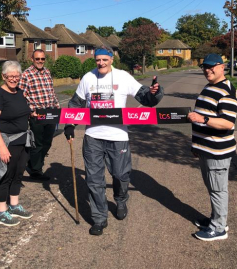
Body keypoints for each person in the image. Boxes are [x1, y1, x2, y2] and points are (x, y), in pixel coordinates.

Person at [64, 47, 164, 236]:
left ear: (111, 60)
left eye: (104, 60)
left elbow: (145, 97)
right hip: (93, 136)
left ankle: (120, 199)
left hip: (118, 137)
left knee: (120, 174)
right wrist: (70, 124)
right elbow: (76, 104)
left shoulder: (123, 77)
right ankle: (99, 218)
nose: (100, 63)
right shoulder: (88, 78)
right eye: (97, 60)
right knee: (94, 180)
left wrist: (154, 93)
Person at [187, 53, 237, 241]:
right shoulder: (210, 86)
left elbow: (227, 123)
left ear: (222, 66)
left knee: (218, 189)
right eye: (204, 67)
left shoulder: (226, 91)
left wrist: (203, 119)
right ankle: (215, 219)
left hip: (218, 151)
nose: (207, 70)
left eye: (211, 67)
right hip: (206, 149)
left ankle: (219, 228)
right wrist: (197, 145)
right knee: (212, 187)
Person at [0, 61, 33, 227]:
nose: (14, 79)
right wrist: (2, 148)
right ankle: (1, 211)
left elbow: (21, 112)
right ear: (3, 76)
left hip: (22, 141)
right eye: (10, 76)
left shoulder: (19, 92)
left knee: (18, 174)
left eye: (16, 76)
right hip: (7, 143)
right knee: (4, 176)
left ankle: (14, 206)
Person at [18, 49, 60, 180]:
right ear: (32, 59)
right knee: (38, 143)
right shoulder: (26, 75)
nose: (40, 61)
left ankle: (33, 163)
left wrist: (57, 107)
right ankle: (36, 170)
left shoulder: (47, 72)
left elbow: (51, 92)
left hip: (50, 112)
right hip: (37, 114)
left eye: (42, 59)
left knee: (48, 142)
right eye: (37, 59)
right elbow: (21, 96)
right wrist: (31, 111)